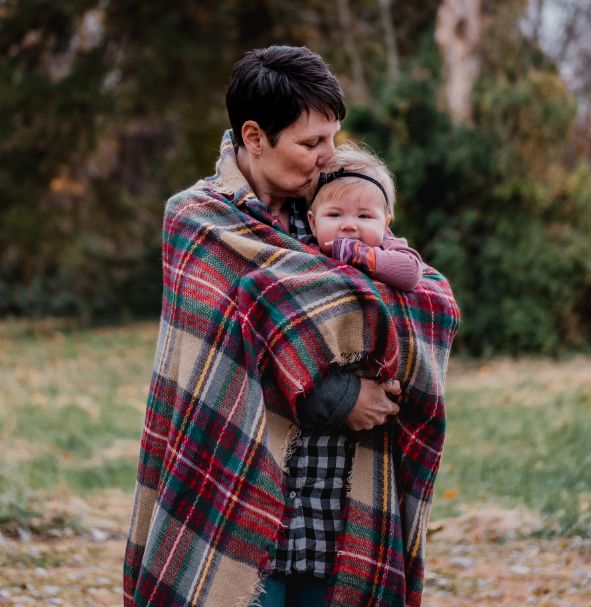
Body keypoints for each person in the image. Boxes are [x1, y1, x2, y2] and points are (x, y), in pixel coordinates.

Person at [124, 45, 459, 607]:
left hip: (335, 495)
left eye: (333, 139)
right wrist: (340, 393)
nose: (329, 157)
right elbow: (227, 353)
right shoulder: (199, 219)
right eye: (311, 143)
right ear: (254, 138)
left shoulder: (334, 208)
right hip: (239, 481)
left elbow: (423, 295)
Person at [307, 143, 423, 293]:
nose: (349, 225)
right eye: (334, 214)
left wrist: (356, 254)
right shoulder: (306, 252)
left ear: (384, 225)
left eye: (364, 216)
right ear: (313, 224)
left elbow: (411, 274)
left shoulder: (389, 247)